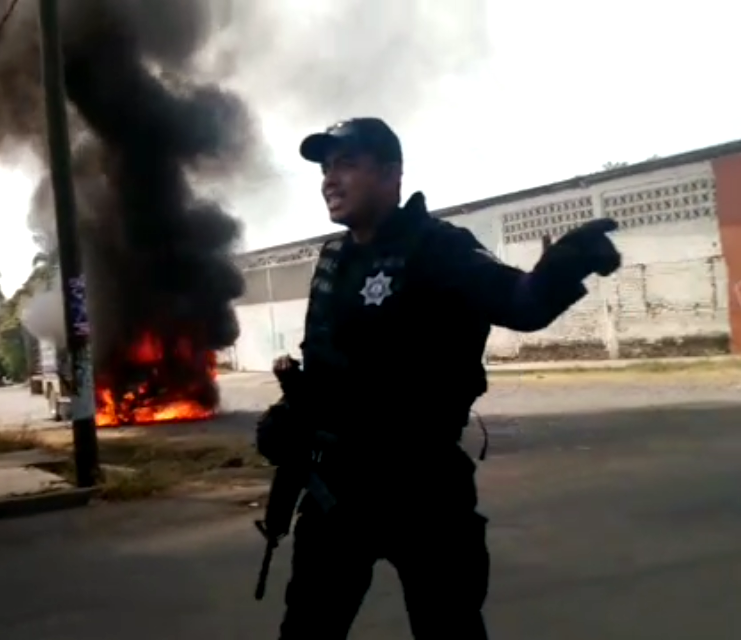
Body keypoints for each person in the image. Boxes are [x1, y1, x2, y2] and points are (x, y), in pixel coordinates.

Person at [261, 117, 621, 639]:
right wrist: (290, 415)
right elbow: (326, 364)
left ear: (391, 173)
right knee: (307, 630)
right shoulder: (333, 259)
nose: (330, 180)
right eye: (325, 169)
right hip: (335, 490)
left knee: (449, 629)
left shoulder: (439, 248)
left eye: (347, 164)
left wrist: (564, 266)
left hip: (422, 488)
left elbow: (521, 303)